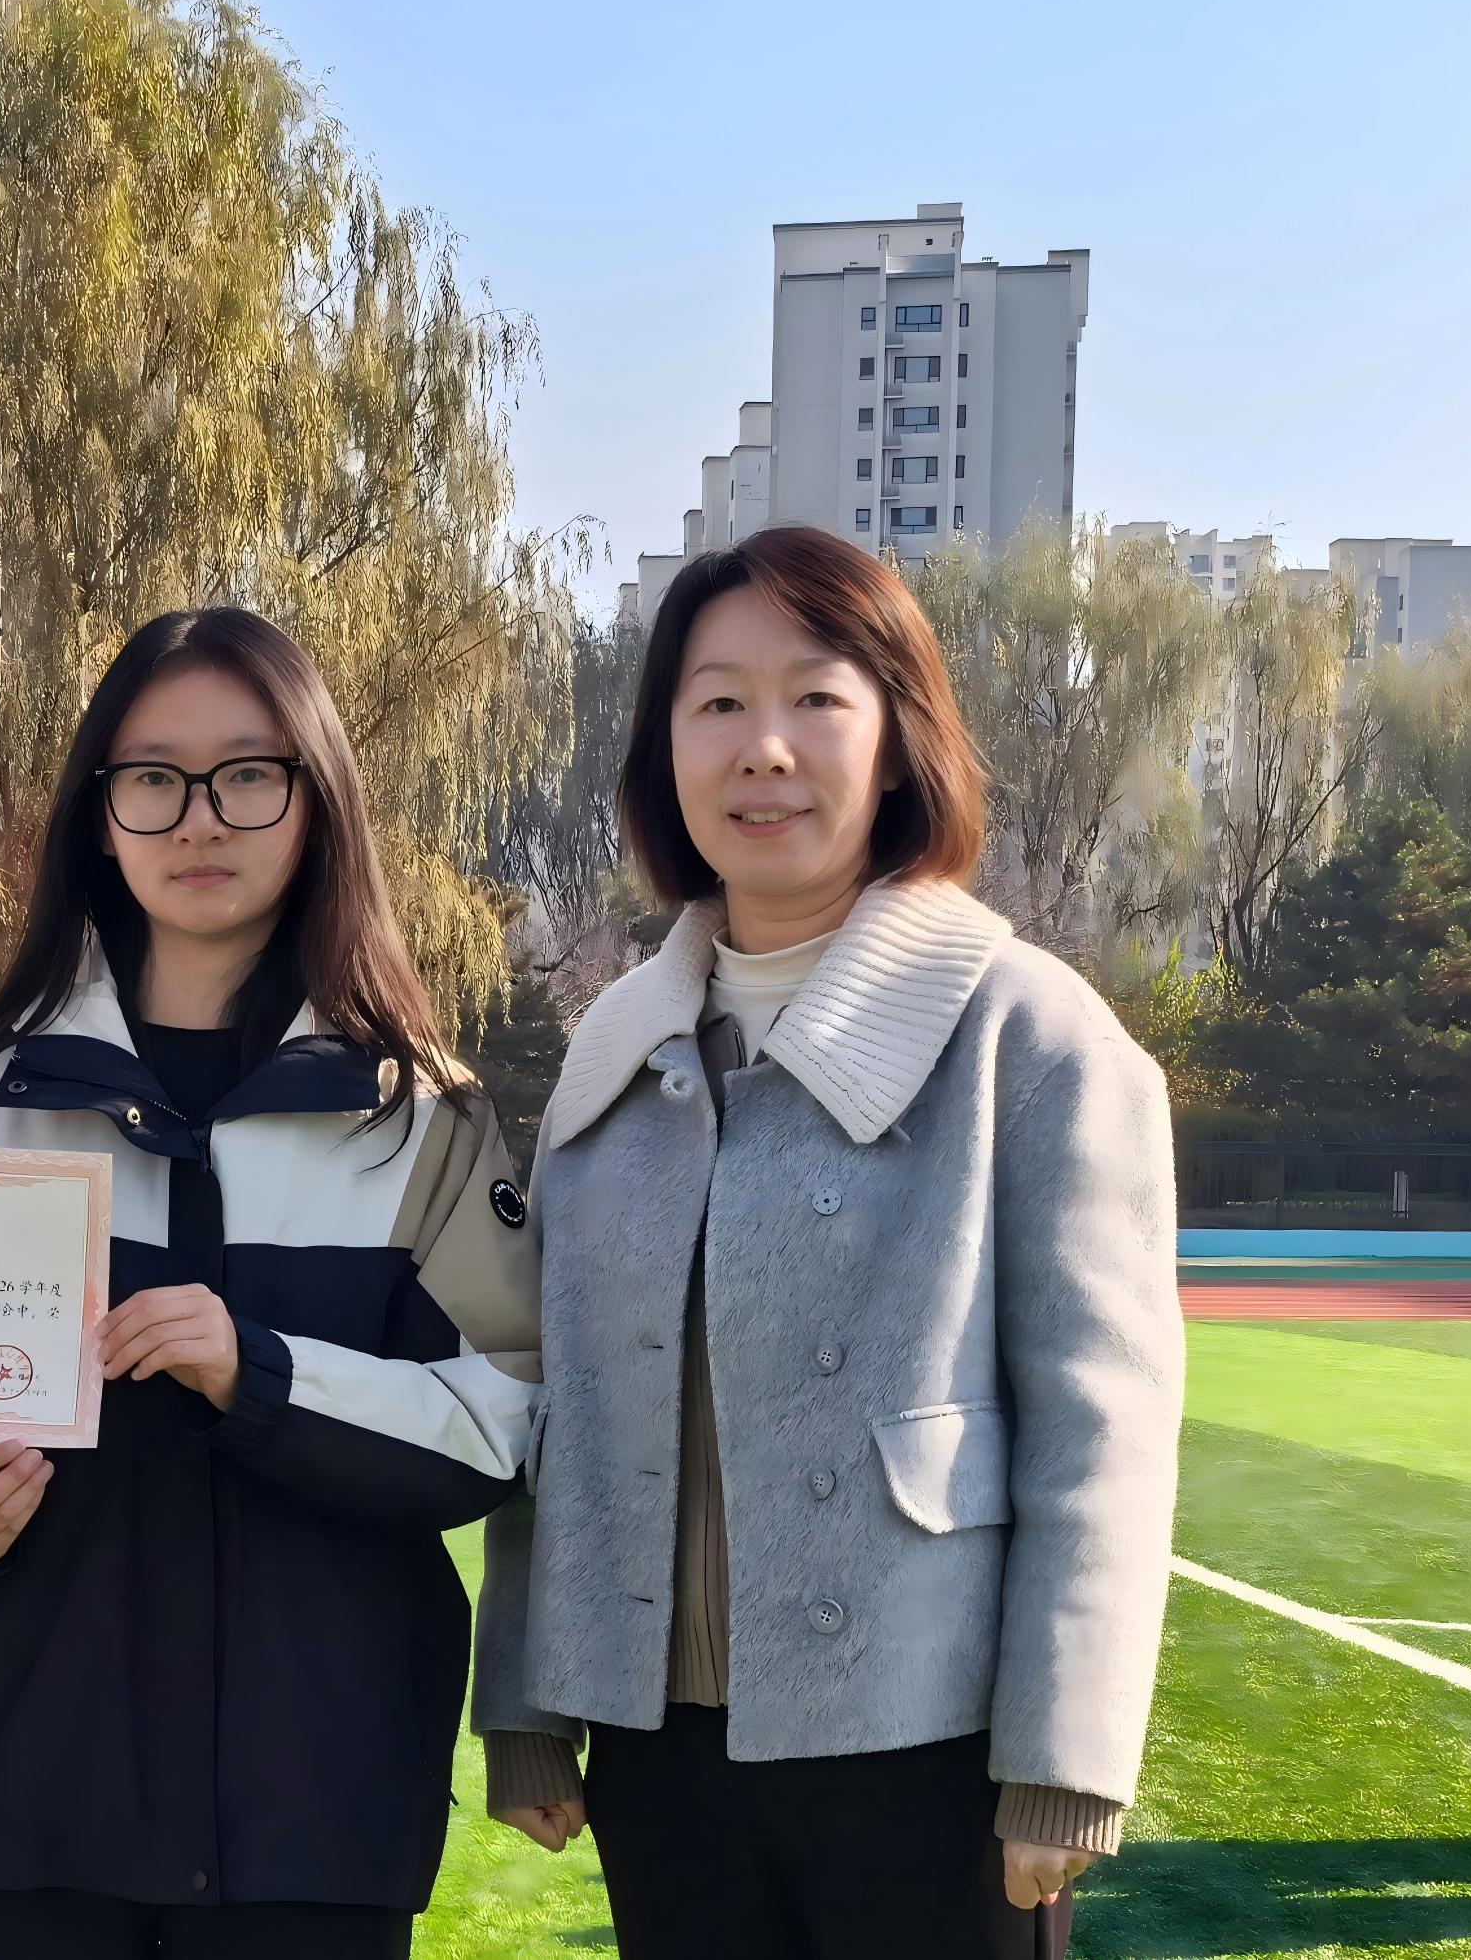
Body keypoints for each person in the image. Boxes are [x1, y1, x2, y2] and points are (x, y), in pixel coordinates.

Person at [473, 524, 1184, 1958]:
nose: (765, 748)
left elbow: (1100, 1429)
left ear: (900, 739)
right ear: (665, 749)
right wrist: (531, 1706)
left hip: (932, 1743)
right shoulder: (617, 1046)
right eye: (718, 702)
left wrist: (1066, 1757)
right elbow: (563, 1402)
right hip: (662, 1756)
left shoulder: (1028, 1034)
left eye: (816, 697)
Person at [0, 607, 543, 1960]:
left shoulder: (421, 1119)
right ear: (100, 817)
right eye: (153, 778)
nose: (199, 819)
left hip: (315, 1822)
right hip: (27, 1808)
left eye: (248, 775)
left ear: (316, 804)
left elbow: (509, 1419)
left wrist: (258, 1371)